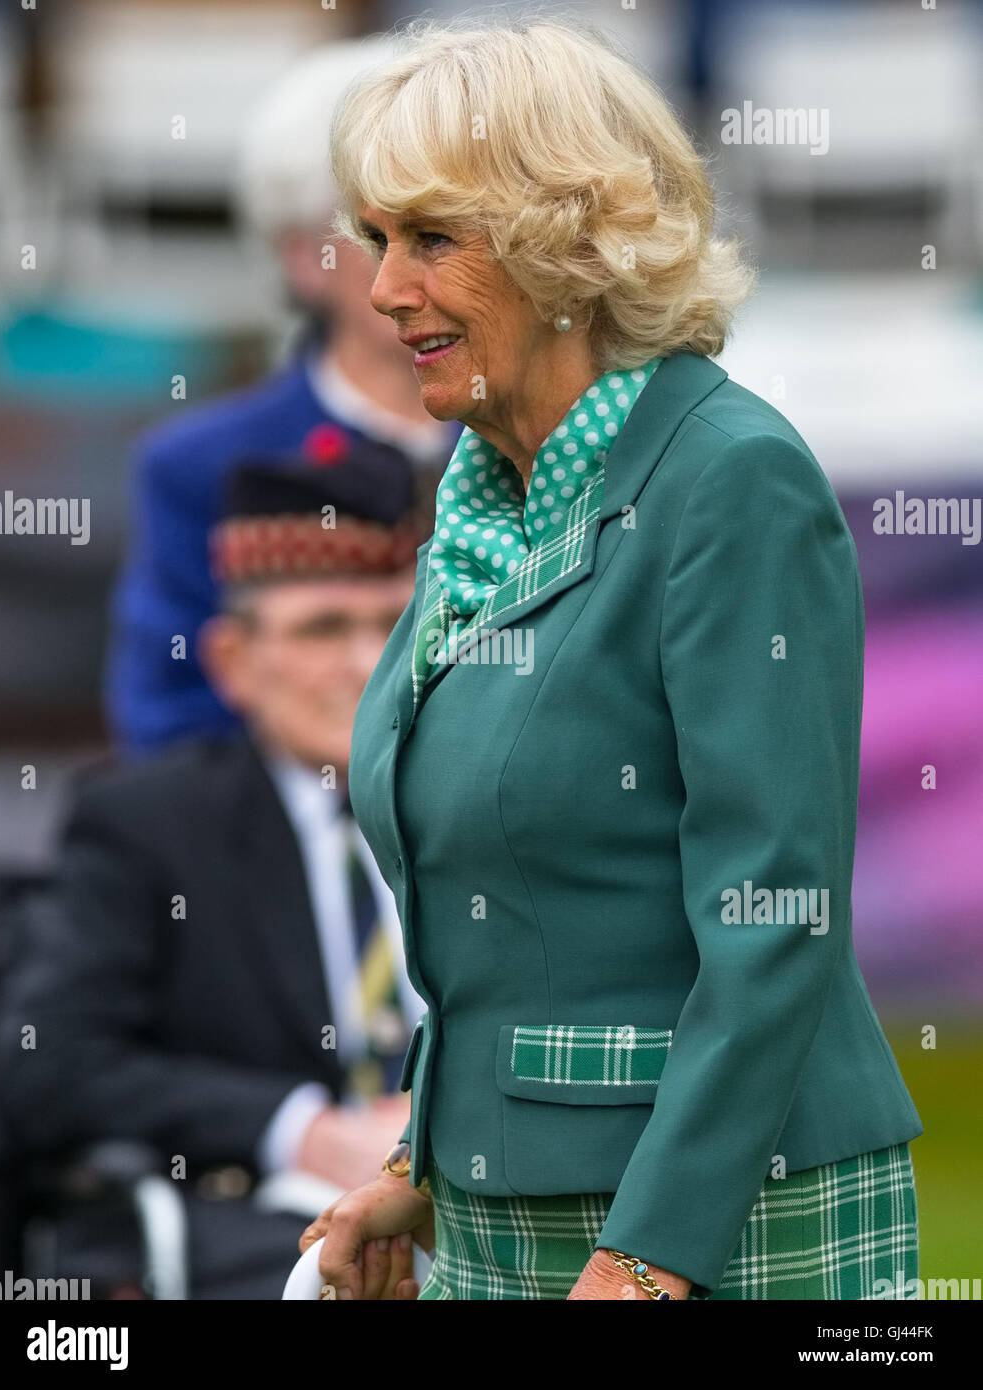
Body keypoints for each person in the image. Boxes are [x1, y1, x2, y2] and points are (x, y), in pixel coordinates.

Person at [298, 14, 923, 1301]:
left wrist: (648, 1261)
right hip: (502, 1210)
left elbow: (774, 917)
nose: (380, 289)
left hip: (722, 1218)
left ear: (561, 243)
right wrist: (423, 1161)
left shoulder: (731, 481)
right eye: (374, 243)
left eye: (428, 239)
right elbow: (521, 917)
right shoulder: (486, 489)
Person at [0, 439, 429, 1298]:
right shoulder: (150, 826)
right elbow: (46, 1065)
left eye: (394, 624)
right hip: (270, 1238)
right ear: (233, 661)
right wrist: (301, 1130)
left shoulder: (496, 806)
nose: (363, 664)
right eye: (323, 627)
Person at [103, 35, 460, 754]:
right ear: (304, 257)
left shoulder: (548, 434)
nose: (415, 263)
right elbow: (169, 725)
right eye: (374, 228)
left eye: (443, 224)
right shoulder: (200, 466)